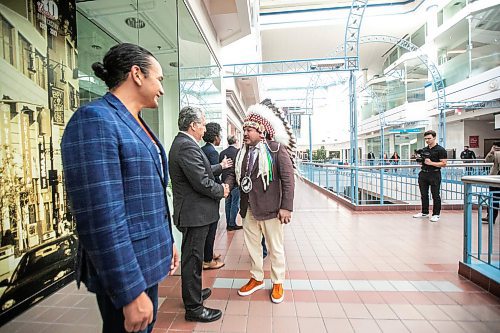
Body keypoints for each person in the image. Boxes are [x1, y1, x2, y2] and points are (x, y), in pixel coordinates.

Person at [61, 43, 179, 333]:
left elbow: (146, 197)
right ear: (137, 74)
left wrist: (168, 243)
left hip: (145, 259)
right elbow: (101, 216)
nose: (161, 89)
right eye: (159, 79)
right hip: (128, 272)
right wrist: (129, 291)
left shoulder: (133, 122)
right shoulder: (94, 120)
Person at [226, 103, 295, 304]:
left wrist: (286, 207)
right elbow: (234, 173)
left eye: (249, 130)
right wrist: (227, 186)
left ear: (261, 131)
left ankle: (278, 282)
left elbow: (288, 180)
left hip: (272, 210)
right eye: (244, 129)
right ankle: (256, 278)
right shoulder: (242, 152)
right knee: (253, 247)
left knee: (275, 248)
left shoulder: (276, 150)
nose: (245, 133)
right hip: (249, 209)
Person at [168, 106, 229, 323]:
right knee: (192, 259)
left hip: (195, 213)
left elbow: (201, 171)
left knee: (192, 258)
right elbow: (201, 182)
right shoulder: (186, 146)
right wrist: (221, 190)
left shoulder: (185, 144)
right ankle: (193, 307)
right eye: (202, 124)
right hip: (195, 215)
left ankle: (192, 293)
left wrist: (219, 167)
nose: (205, 128)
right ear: (193, 125)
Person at [201, 122, 231, 270]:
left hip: (205, 195)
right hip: (212, 193)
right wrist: (222, 188)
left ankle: (208, 253)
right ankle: (208, 259)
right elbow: (212, 174)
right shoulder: (212, 152)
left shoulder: (202, 149)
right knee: (212, 226)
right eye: (219, 135)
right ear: (215, 137)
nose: (220, 138)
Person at [412, 130, 448, 223]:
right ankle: (424, 212)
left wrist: (431, 163)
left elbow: (444, 164)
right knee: (424, 194)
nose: (427, 140)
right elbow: (422, 161)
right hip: (423, 173)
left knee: (435, 195)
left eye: (429, 138)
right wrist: (419, 160)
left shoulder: (440, 150)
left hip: (434, 174)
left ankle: (436, 214)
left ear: (434, 137)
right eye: (426, 139)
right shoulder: (424, 150)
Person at [220, 135, 243, 231]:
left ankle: (228, 222)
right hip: (235, 181)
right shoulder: (238, 152)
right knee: (235, 203)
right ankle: (232, 223)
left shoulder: (222, 153)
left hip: (225, 181)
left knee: (227, 202)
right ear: (236, 141)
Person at [483, 141, 500, 224]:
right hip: (494, 178)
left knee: (494, 198)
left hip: (497, 179)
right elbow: (487, 160)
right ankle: (490, 216)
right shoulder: (494, 154)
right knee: (492, 197)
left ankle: (491, 216)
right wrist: (491, 152)